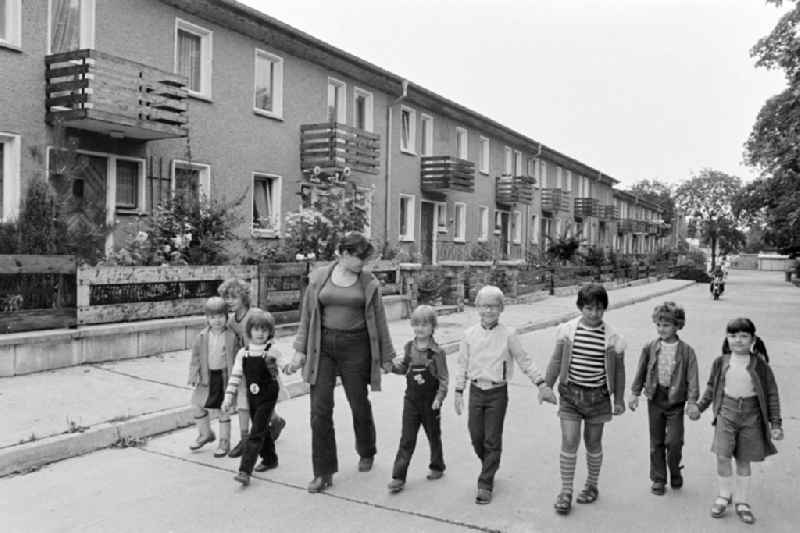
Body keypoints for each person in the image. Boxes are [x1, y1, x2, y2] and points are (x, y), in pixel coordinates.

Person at [284, 232, 396, 493]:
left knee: (358, 402)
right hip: (322, 347)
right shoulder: (320, 277)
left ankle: (366, 449)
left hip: (356, 346)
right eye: (359, 258)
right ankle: (323, 472)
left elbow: (379, 319)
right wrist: (299, 351)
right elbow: (307, 316)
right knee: (319, 410)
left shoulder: (368, 282)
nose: (363, 264)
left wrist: (388, 357)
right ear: (344, 254)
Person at [454, 285, 557, 505]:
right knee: (476, 436)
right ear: (476, 307)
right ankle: (489, 464)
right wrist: (458, 391)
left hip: (497, 393)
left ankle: (485, 482)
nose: (488, 311)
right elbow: (462, 364)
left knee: (492, 438)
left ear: (501, 308)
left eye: (493, 306)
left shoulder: (509, 335)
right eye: (484, 306)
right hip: (475, 391)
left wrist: (541, 383)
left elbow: (524, 360)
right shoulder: (468, 335)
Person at [545, 284, 626, 516]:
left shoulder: (612, 337)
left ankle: (592, 485)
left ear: (605, 309)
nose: (594, 314)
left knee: (593, 442)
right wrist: (546, 386)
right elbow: (555, 359)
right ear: (580, 307)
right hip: (570, 395)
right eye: (589, 308)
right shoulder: (567, 331)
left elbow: (619, 372)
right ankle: (566, 491)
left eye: (599, 309)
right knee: (570, 440)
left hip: (598, 398)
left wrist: (618, 399)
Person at [697, 318, 783, 524]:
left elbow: (771, 393)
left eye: (744, 336)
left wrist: (776, 423)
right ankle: (724, 495)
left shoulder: (760, 365)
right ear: (727, 338)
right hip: (726, 412)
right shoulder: (721, 362)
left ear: (753, 339)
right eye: (733, 335)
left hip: (751, 416)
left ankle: (741, 501)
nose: (738, 340)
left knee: (743, 459)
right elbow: (711, 387)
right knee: (722, 455)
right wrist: (699, 407)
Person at [629, 302, 700, 495]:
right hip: (655, 398)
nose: (662, 329)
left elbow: (693, 378)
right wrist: (635, 393)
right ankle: (659, 478)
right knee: (656, 441)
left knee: (674, 442)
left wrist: (692, 401)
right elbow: (641, 371)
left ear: (677, 326)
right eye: (659, 325)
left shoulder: (687, 351)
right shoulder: (650, 347)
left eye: (666, 325)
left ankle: (675, 469)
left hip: (676, 401)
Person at [218, 279, 287, 459]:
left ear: (244, 297)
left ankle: (276, 421)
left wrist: (271, 358)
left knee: (262, 402)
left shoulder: (255, 314)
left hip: (262, 366)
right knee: (245, 403)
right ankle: (245, 438)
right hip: (245, 365)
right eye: (227, 297)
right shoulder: (232, 321)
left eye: (234, 297)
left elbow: (269, 334)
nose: (230, 301)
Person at [387, 305, 448, 494]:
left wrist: (439, 398)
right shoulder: (408, 347)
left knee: (433, 436)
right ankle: (398, 477)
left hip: (431, 402)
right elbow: (404, 368)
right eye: (416, 324)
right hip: (411, 401)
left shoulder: (437, 353)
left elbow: (444, 379)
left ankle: (437, 466)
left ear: (432, 327)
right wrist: (390, 367)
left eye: (424, 324)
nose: (419, 328)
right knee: (407, 438)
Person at [221, 309, 282, 486]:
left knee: (255, 433)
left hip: (269, 394)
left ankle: (244, 470)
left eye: (264, 329)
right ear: (249, 331)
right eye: (256, 329)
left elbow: (283, 365)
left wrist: (288, 367)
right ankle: (270, 459)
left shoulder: (272, 350)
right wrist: (228, 398)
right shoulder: (244, 353)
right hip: (252, 395)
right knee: (261, 427)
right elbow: (235, 375)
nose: (260, 333)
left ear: (270, 331)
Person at [187, 297, 239, 457]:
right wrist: (193, 374)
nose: (216, 320)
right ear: (207, 319)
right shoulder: (202, 336)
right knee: (197, 405)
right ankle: (205, 433)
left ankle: (224, 441)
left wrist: (237, 379)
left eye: (220, 316)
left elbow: (237, 357)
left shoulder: (231, 336)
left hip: (224, 377)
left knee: (223, 409)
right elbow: (195, 357)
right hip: (206, 378)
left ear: (226, 316)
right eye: (212, 317)